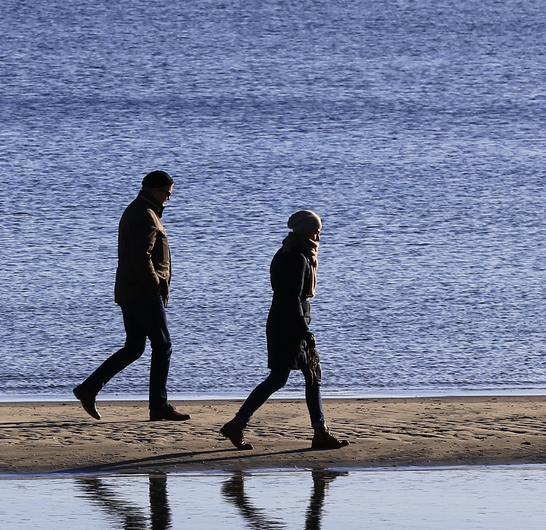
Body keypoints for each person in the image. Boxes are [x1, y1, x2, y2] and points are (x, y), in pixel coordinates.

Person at [218, 210, 348, 450]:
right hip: (290, 326)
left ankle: (239, 425)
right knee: (301, 376)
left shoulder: (285, 252)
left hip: (282, 323)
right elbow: (291, 299)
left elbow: (289, 298)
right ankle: (318, 432)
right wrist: (304, 332)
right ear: (306, 232)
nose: (318, 237)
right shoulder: (297, 258)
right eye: (315, 232)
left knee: (296, 376)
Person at [73, 171, 191, 422]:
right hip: (142, 292)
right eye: (166, 194)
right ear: (154, 190)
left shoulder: (141, 210)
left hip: (131, 290)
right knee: (163, 345)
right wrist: (155, 285)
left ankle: (89, 388)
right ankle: (158, 406)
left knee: (135, 347)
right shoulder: (145, 215)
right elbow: (141, 256)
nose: (168, 199)